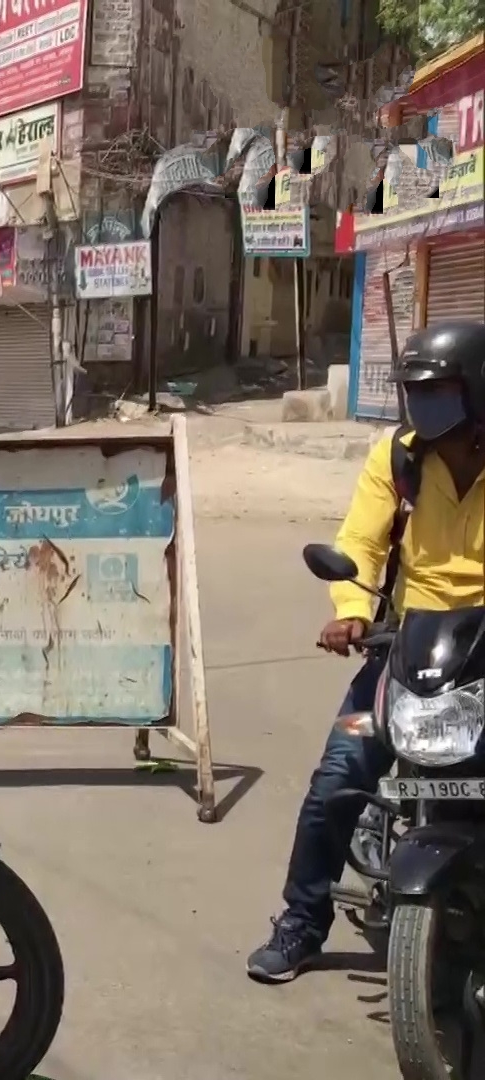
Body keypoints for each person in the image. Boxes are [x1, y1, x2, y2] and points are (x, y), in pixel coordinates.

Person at [246, 319, 485, 984]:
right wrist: (351, 614)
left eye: (437, 389)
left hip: (484, 651)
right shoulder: (399, 458)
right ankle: (301, 923)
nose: (421, 404)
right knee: (338, 777)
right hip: (408, 647)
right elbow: (363, 540)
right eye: (414, 390)